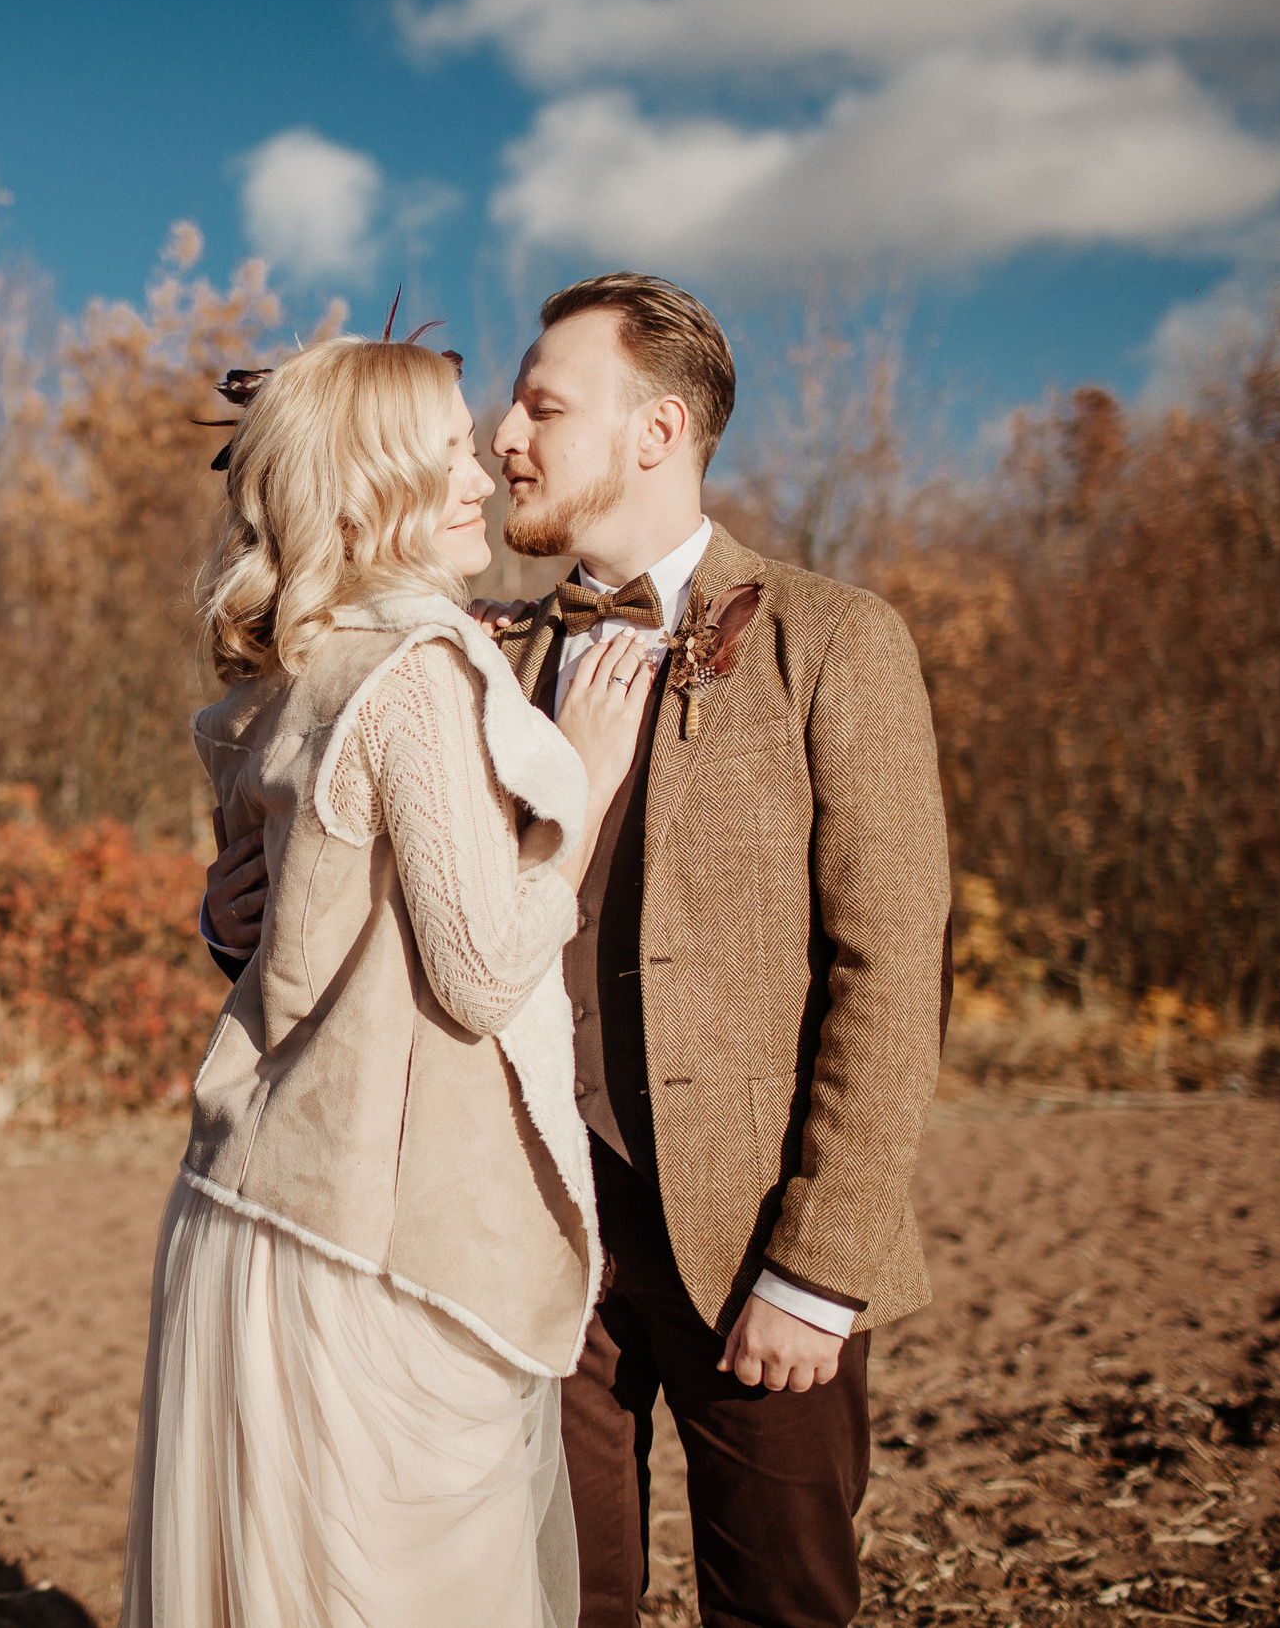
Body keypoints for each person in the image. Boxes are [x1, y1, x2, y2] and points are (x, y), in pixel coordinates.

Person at [201, 274, 952, 1628]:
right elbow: (353, 892)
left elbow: (892, 975)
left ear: (657, 431)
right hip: (522, 1237)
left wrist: (818, 1267)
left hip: (754, 1247)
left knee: (782, 1605)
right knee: (556, 1602)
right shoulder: (469, 655)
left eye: (543, 408)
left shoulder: (835, 642)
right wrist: (233, 909)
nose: (504, 439)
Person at [122, 334, 654, 1628]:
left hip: (250, 1213)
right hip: (372, 1243)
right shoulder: (417, 671)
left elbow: (288, 920)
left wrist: (220, 923)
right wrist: (582, 785)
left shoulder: (293, 666)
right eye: (448, 455)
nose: (482, 478)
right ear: (372, 489)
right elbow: (478, 972)